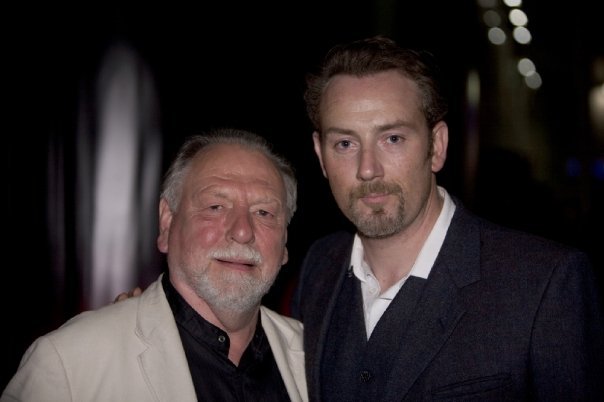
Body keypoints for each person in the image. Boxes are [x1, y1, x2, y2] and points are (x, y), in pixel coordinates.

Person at [290, 35, 604, 401]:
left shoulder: (545, 284)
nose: (368, 169)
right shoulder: (319, 267)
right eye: (345, 144)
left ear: (436, 146)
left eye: (392, 139)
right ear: (320, 155)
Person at [2, 128, 308, 402]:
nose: (242, 231)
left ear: (284, 242)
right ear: (167, 222)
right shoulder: (69, 366)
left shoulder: (316, 358)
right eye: (215, 207)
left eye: (264, 213)